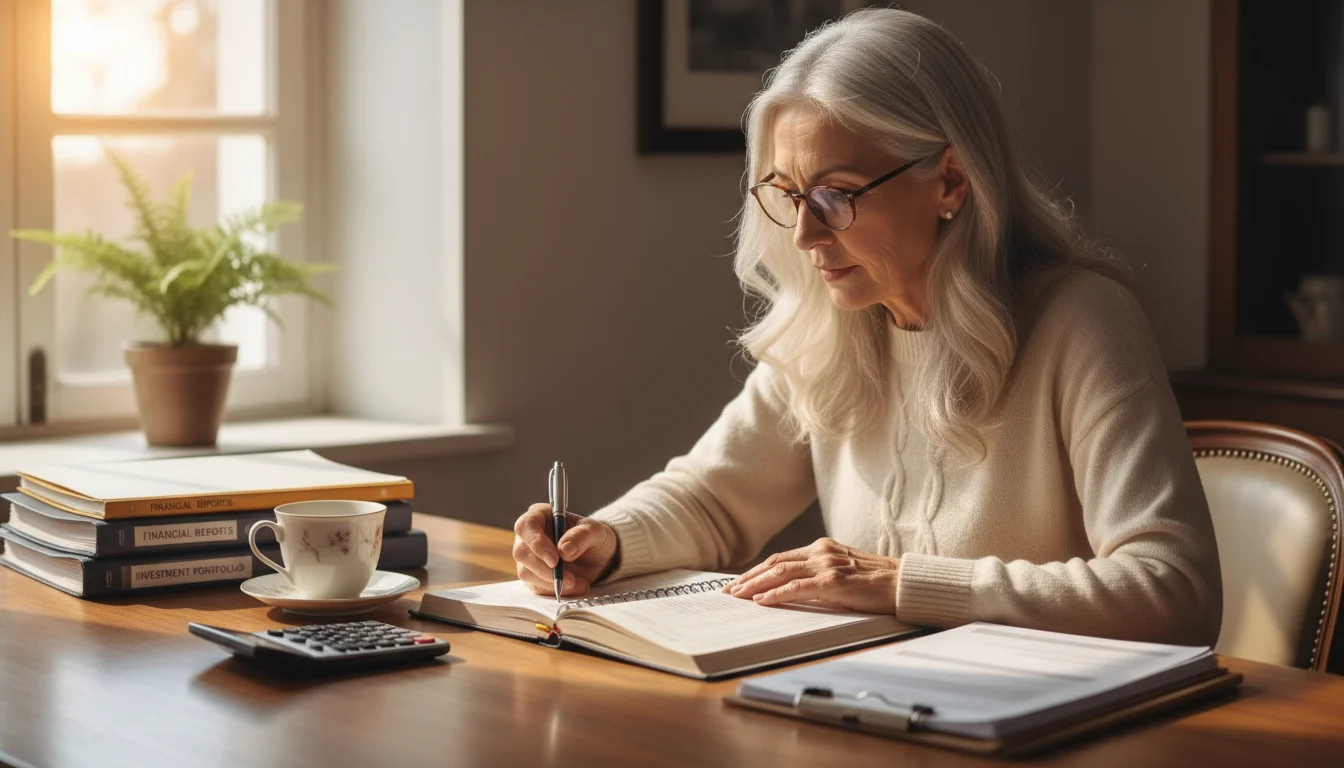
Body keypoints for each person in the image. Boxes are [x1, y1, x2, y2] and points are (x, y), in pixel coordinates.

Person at [511, 8, 1221, 645]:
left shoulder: (1083, 322)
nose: (804, 236)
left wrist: (900, 582)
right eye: (786, 195)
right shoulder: (833, 323)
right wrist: (604, 540)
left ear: (950, 181)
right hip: (874, 707)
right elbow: (712, 498)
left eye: (836, 195)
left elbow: (1173, 589)